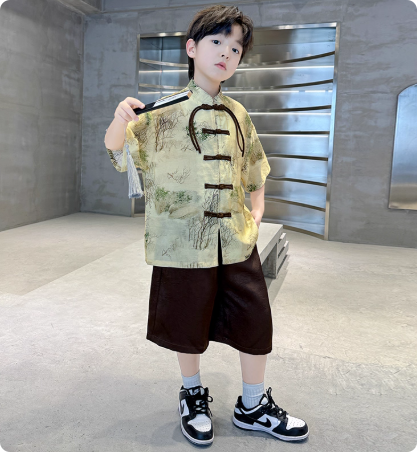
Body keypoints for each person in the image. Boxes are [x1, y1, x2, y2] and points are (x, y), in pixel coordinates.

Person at [104, 4, 309, 446]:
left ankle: (253, 405)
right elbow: (118, 154)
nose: (226, 53)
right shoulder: (160, 112)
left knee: (255, 319)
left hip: (235, 239)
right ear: (192, 48)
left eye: (235, 48)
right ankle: (192, 394)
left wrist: (257, 211)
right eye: (217, 42)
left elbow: (255, 166)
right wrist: (120, 120)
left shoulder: (239, 113)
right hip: (181, 243)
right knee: (187, 321)